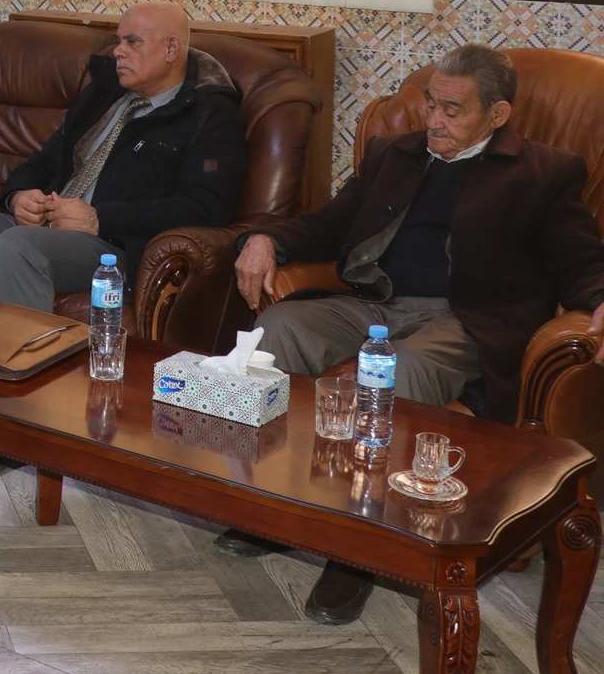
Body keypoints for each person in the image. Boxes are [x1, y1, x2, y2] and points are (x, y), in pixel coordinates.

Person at [224, 42, 604, 625]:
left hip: (461, 319)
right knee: (279, 328)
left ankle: (358, 552)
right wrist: (267, 240)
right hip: (374, 301)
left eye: (453, 110)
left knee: (397, 373)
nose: (434, 120)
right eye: (431, 104)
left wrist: (600, 299)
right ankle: (272, 507)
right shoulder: (394, 153)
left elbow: (580, 259)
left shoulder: (544, 172)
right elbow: (330, 223)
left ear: (497, 114)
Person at [0, 2, 248, 476]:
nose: (118, 51)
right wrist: (17, 196)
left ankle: (13, 427)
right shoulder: (106, 94)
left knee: (20, 247)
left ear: (172, 48)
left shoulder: (209, 113)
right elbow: (42, 160)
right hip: (48, 225)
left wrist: (99, 218)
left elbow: (206, 207)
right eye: (118, 40)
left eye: (132, 42)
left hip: (112, 247)